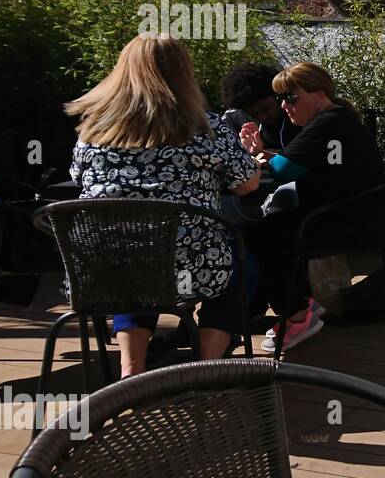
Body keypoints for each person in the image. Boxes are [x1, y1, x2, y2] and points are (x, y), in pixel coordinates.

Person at [65, 35, 261, 377]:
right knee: (245, 266)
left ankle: (132, 368)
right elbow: (247, 184)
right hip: (189, 266)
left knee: (134, 260)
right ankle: (205, 365)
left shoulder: (94, 128)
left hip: (102, 270)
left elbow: (80, 179)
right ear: (183, 73)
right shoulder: (207, 126)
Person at [245, 62, 385, 352]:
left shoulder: (328, 124)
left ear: (319, 95)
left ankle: (297, 314)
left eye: (291, 97)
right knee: (270, 225)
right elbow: (296, 162)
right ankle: (266, 309)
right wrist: (262, 154)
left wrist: (252, 160)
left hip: (344, 226)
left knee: (258, 233)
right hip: (359, 220)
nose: (284, 105)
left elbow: (279, 172)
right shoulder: (338, 118)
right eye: (281, 99)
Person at [219, 62, 301, 221]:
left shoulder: (298, 119)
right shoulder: (239, 122)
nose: (263, 117)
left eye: (266, 108)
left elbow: (298, 162)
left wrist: (261, 153)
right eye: (254, 114)